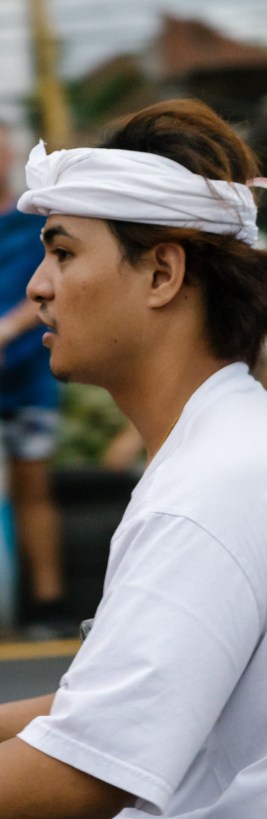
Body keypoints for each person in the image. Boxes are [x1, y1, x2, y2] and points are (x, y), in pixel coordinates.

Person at [0, 99, 267, 817]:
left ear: (162, 274)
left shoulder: (215, 484)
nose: (39, 286)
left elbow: (80, 773)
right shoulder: (254, 436)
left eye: (62, 252)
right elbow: (116, 700)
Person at [0, 120, 70, 637]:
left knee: (33, 488)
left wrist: (7, 330)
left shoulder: (35, 218)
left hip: (27, 377)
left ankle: (48, 605)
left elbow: (48, 285)